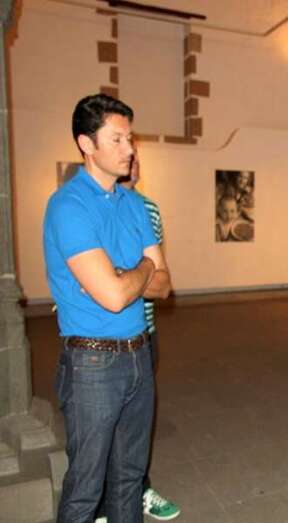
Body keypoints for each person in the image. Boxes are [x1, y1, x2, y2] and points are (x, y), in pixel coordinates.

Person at [43, 94, 171, 522]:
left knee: (129, 479)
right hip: (92, 364)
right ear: (87, 144)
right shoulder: (68, 205)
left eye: (129, 138)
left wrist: (127, 274)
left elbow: (164, 287)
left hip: (139, 354)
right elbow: (115, 297)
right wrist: (145, 266)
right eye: (117, 139)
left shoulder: (134, 204)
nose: (129, 148)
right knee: (86, 486)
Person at [93, 147, 181, 522]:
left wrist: (125, 278)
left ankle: (139, 489)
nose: (132, 161)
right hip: (102, 336)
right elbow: (106, 279)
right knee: (102, 423)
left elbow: (160, 281)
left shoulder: (149, 209)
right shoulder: (93, 205)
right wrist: (134, 275)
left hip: (144, 331)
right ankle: (100, 501)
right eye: (122, 149)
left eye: (136, 157)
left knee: (136, 423)